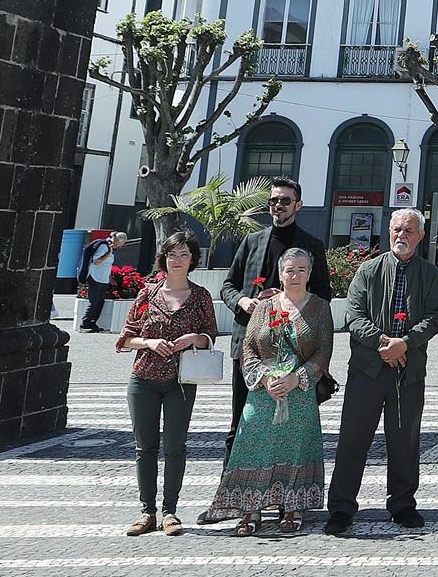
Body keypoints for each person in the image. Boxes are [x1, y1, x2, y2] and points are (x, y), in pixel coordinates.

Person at [326, 208, 438, 537]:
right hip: (367, 369)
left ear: (420, 236)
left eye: (409, 230)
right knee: (353, 439)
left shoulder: (430, 274)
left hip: (408, 371)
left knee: (404, 440)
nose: (401, 235)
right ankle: (341, 507)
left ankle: (403, 503)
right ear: (388, 231)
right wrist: (384, 343)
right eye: (396, 229)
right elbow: (354, 315)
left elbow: (433, 318)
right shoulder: (368, 270)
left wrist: (404, 343)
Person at [206, 246, 335, 536]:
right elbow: (249, 347)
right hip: (264, 392)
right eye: (290, 269)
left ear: (310, 273)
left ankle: (292, 506)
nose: (295, 274)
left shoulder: (320, 308)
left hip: (300, 391)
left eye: (302, 269)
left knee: (295, 447)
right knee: (251, 444)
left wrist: (296, 378)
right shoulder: (264, 307)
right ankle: (250, 508)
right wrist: (265, 379)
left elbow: (323, 352)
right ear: (280, 273)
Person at [217, 178, 332, 464]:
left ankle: (284, 499)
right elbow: (228, 286)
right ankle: (230, 495)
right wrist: (243, 301)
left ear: (298, 205)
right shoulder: (252, 241)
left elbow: (323, 294)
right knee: (241, 421)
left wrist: (288, 297)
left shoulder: (312, 245)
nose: (278, 206)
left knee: (288, 428)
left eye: (284, 200)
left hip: (295, 352)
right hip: (251, 348)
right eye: (273, 201)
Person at [116, 230, 218, 536]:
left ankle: (170, 511)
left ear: (193, 260)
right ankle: (146, 511)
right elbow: (125, 338)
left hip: (181, 380)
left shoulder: (200, 296)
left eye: (184, 254)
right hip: (144, 377)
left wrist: (194, 338)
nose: (178, 260)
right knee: (144, 447)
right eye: (173, 254)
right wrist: (148, 342)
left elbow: (211, 334)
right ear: (164, 257)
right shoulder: (147, 294)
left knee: (175, 446)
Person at [79, 231, 128, 332]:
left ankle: (92, 323)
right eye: (121, 244)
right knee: (94, 301)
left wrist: (110, 278)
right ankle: (85, 324)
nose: (120, 246)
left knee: (101, 301)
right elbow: (97, 261)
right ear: (118, 241)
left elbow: (107, 265)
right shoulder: (104, 246)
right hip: (95, 276)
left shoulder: (111, 249)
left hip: (103, 278)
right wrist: (108, 253)